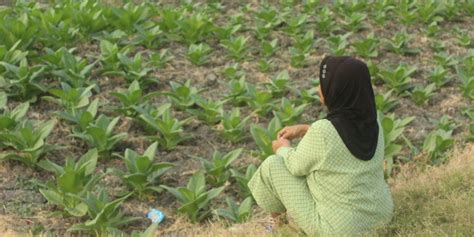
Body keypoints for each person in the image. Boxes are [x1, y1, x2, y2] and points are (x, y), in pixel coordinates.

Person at [248, 56, 394, 236]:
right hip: (381, 218)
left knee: (272, 165)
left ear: (337, 90)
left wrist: (282, 148)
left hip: (340, 231)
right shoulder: (373, 121)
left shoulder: (323, 131)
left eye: (323, 83)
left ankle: (277, 226)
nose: (319, 88)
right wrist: (304, 129)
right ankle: (277, 225)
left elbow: (295, 166)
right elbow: (343, 139)